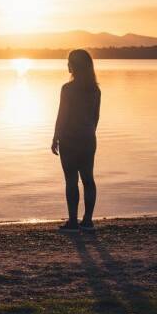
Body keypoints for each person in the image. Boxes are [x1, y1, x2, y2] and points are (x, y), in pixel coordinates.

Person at [51, 49, 101, 232]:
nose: (67, 65)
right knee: (88, 179)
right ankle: (87, 221)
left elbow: (62, 115)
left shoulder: (68, 89)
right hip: (88, 139)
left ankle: (73, 222)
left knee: (71, 180)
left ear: (75, 65)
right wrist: (88, 133)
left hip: (69, 139)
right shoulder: (95, 90)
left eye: (69, 62)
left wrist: (56, 136)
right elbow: (96, 117)